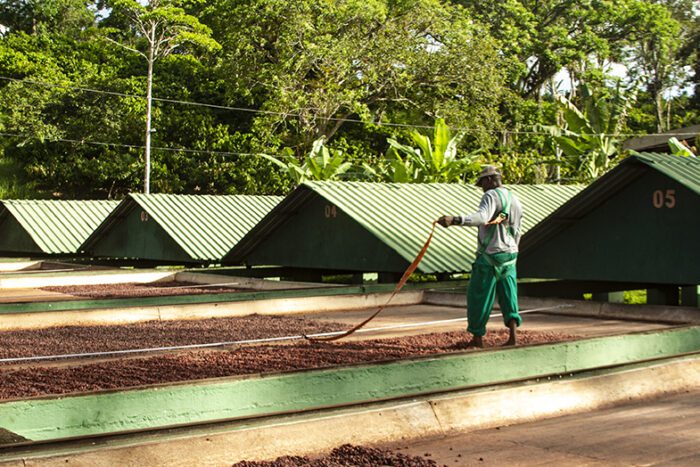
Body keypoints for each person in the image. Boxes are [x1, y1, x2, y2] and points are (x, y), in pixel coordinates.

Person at [437, 165, 523, 348]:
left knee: (478, 296)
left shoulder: (490, 195)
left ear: (490, 180)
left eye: (482, 182)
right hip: (510, 256)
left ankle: (477, 339)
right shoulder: (515, 199)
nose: (482, 187)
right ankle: (513, 337)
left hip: (490, 256)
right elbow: (517, 231)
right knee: (509, 296)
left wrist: (455, 220)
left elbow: (482, 217)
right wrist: (513, 253)